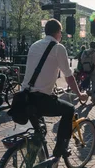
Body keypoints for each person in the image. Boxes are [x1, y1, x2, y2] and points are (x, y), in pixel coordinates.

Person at [21, 19, 88, 160]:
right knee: (69, 109)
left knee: (41, 131)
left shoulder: (34, 45)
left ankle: (30, 163)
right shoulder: (58, 48)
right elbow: (69, 77)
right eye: (61, 32)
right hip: (40, 99)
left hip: (24, 97)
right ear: (57, 32)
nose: (61, 35)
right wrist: (80, 94)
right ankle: (60, 149)